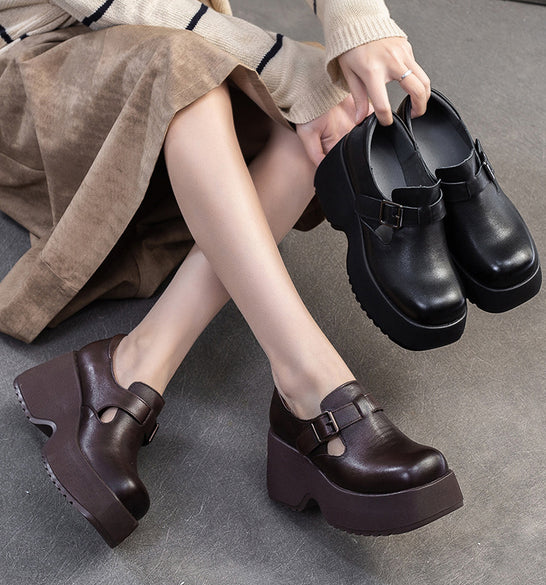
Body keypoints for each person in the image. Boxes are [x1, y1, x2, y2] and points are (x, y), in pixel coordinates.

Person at [1, 0, 463, 547]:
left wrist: (357, 22)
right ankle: (311, 382)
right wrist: (287, 68)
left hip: (157, 44)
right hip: (32, 77)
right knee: (195, 70)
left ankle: (132, 366)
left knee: (320, 104)